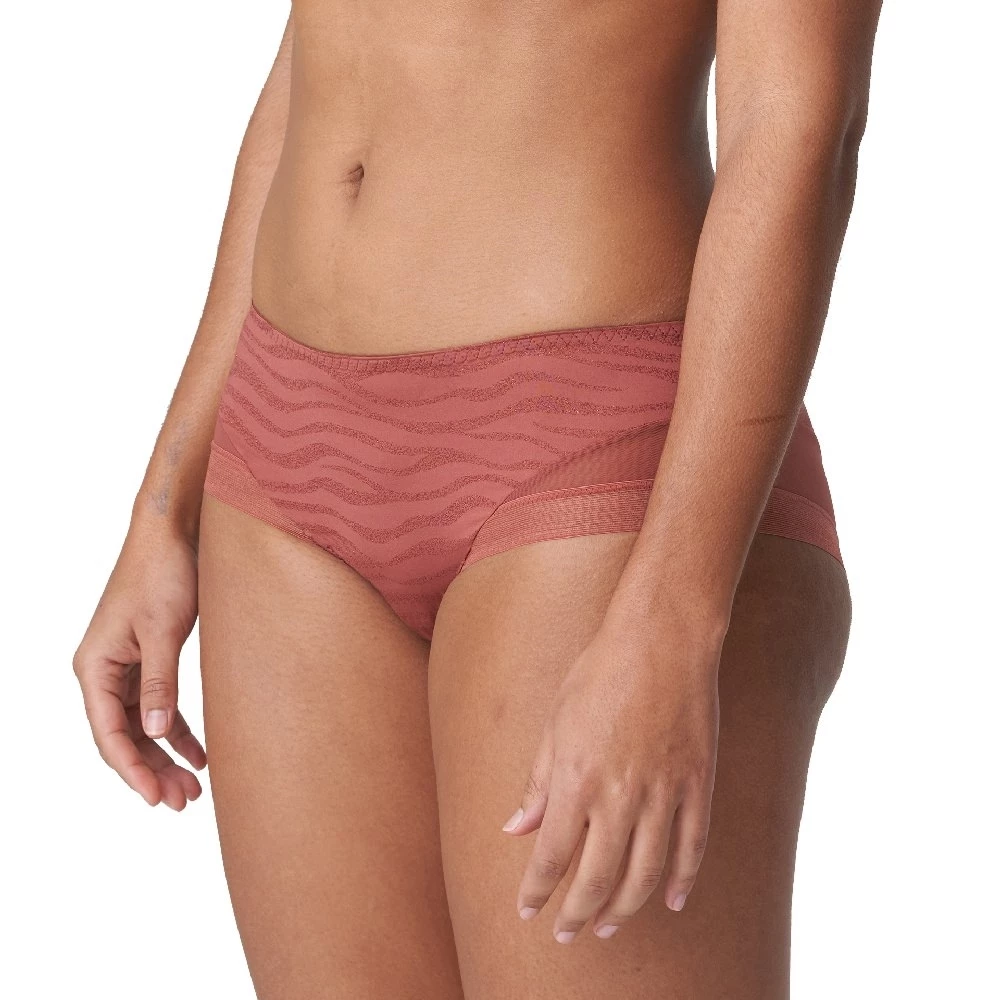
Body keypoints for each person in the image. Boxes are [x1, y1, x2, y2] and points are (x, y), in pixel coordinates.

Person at [72, 2, 883, 996]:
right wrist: (166, 505)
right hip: (282, 451)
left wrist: (675, 618)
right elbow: (321, 61)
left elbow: (796, 125)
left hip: (592, 459)